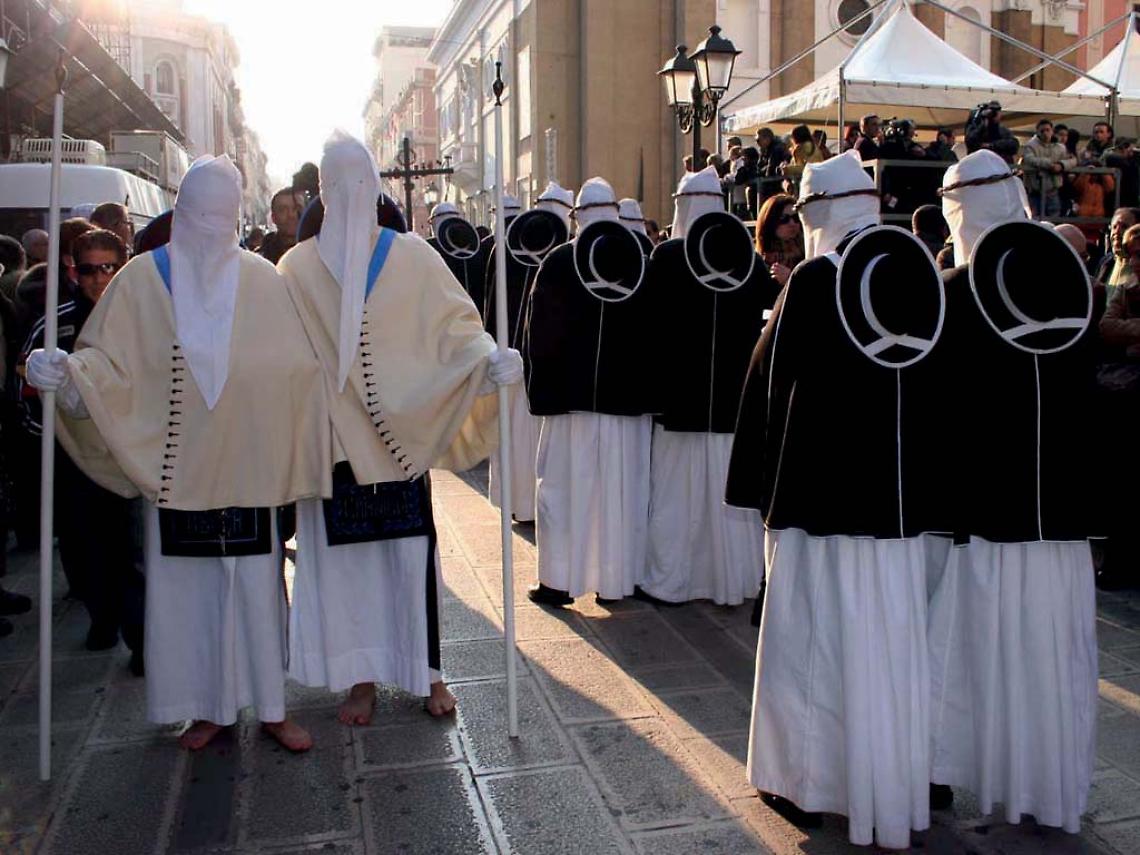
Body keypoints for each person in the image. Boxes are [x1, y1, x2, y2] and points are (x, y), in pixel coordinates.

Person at [27, 154, 330, 753]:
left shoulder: (263, 280)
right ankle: (207, 706)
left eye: (222, 220)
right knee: (190, 597)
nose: (210, 234)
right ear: (180, 214)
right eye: (200, 217)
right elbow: (110, 369)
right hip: (179, 472)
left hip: (247, 471)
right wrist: (66, 374)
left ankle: (271, 705)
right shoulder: (140, 279)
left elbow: (301, 373)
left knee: (256, 590)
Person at [726, 151, 947, 848]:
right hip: (900, 513)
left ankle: (811, 782)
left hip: (821, 508)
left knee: (813, 648)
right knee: (889, 648)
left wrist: (758, 488)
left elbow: (768, 383)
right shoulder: (918, 269)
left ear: (817, 211)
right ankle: (889, 782)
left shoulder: (818, 279)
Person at [278, 131, 518, 725]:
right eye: (341, 183)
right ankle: (358, 680)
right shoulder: (295, 269)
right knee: (345, 570)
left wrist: (488, 362)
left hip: (399, 441)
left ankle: (426, 673)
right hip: (332, 448)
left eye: (363, 181)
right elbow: (271, 351)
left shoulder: (411, 255)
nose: (353, 192)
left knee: (410, 560)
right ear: (323, 191)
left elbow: (455, 326)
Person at [930, 149, 1099, 837]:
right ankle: (1046, 787)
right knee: (1050, 653)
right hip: (1058, 511)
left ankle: (947, 768)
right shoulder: (1072, 279)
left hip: (985, 510)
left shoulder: (954, 288)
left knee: (968, 647)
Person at [639, 168, 775, 606]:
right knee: (729, 501)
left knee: (675, 500)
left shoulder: (667, 258)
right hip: (732, 404)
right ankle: (733, 581)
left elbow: (651, 332)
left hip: (679, 402)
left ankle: (671, 580)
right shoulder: (751, 263)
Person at [525, 177, 662, 607]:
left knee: (563, 494)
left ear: (578, 214)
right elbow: (663, 334)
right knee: (624, 494)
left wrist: (543, 391)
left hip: (572, 405)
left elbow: (539, 333)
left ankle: (558, 580)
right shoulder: (645, 259)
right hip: (628, 405)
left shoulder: (559, 261)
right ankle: (616, 580)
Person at [18, 229, 145, 672]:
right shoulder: (56, 323)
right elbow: (28, 387)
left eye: (108, 266)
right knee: (84, 551)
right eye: (89, 269)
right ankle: (102, 619)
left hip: (128, 460)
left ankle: (141, 639)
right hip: (74, 462)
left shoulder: (142, 319)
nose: (99, 278)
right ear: (74, 270)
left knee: (131, 553)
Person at [485, 182, 574, 526]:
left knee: (518, 441)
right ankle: (527, 505)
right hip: (531, 364)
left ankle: (519, 504)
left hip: (522, 362)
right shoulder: (564, 253)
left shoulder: (506, 248)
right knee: (528, 441)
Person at [1020, 119, 1075, 218]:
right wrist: (1050, 164)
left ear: (1052, 131)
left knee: (1054, 219)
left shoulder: (1060, 147)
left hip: (1053, 190)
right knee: (1034, 219)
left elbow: (1072, 160)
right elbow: (1029, 159)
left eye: (1047, 130)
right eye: (1042, 131)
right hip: (1035, 191)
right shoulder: (1030, 146)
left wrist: (1061, 165)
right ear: (1037, 132)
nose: (1045, 133)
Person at [754, 194, 804, 287]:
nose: (792, 223)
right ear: (769, 222)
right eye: (783, 218)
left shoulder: (808, 255)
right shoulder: (758, 263)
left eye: (796, 217)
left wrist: (790, 280)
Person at [1096, 207, 1140, 289]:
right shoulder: (1106, 263)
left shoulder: (1137, 268)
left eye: (1124, 227)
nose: (1116, 232)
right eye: (1114, 227)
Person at [258, 187, 305, 264]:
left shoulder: (321, 255)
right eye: (283, 210)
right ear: (273, 218)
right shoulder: (260, 260)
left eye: (296, 208)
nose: (291, 215)